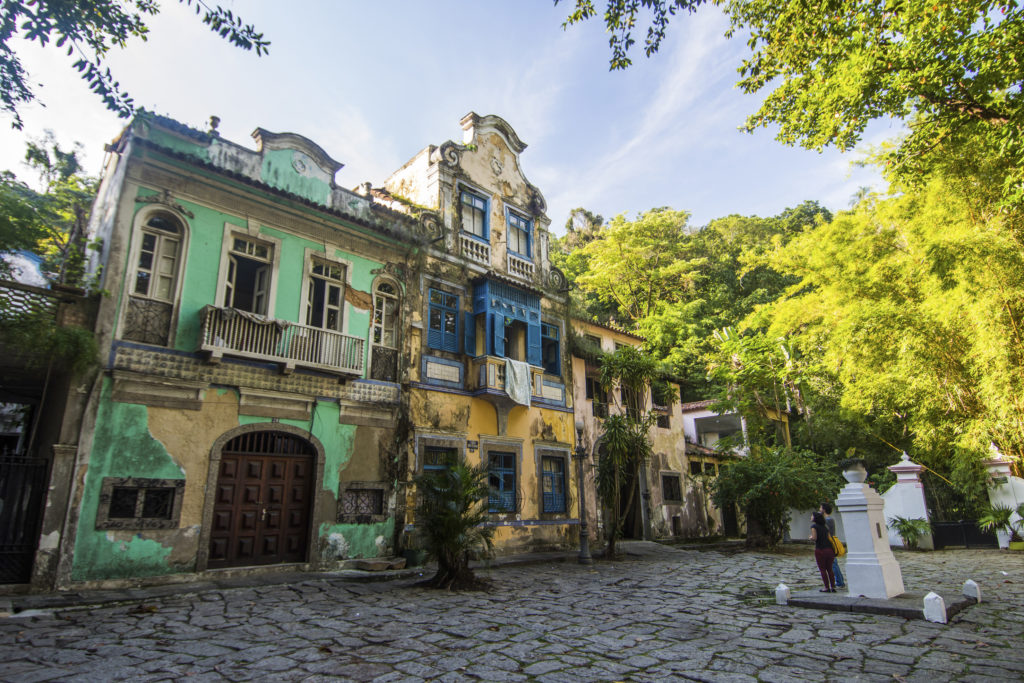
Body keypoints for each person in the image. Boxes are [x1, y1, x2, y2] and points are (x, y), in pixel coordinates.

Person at [820, 502, 845, 588]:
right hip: (831, 541)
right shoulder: (830, 519)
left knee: (833, 564)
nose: (819, 509)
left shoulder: (827, 520)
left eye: (821, 508)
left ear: (824, 509)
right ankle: (840, 580)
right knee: (834, 563)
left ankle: (839, 581)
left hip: (829, 543)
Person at [810, 511, 836, 592]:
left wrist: (810, 537)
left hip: (820, 549)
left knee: (822, 569)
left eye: (812, 516)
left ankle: (826, 587)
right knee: (830, 569)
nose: (811, 517)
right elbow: (829, 537)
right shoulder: (825, 527)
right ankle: (833, 587)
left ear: (815, 518)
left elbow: (814, 538)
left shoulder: (814, 526)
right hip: (829, 549)